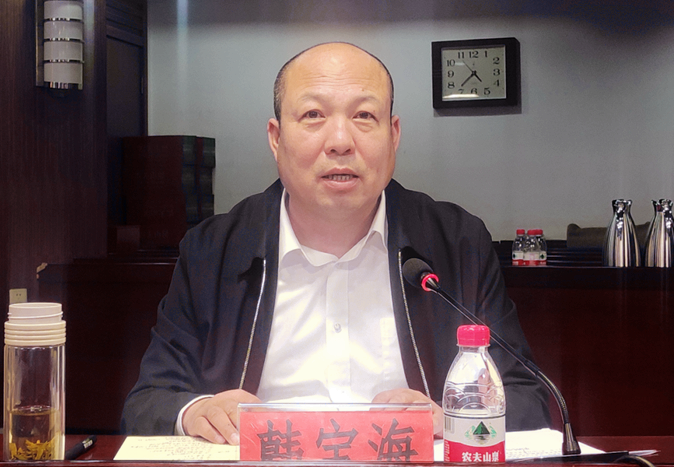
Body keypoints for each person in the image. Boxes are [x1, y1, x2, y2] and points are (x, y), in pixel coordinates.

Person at [121, 42, 551, 444]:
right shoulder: (213, 250)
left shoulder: (456, 242)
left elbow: (529, 399)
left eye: (364, 116)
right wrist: (196, 412)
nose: (341, 142)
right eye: (313, 115)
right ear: (276, 138)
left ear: (393, 135)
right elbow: (148, 402)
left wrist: (453, 418)